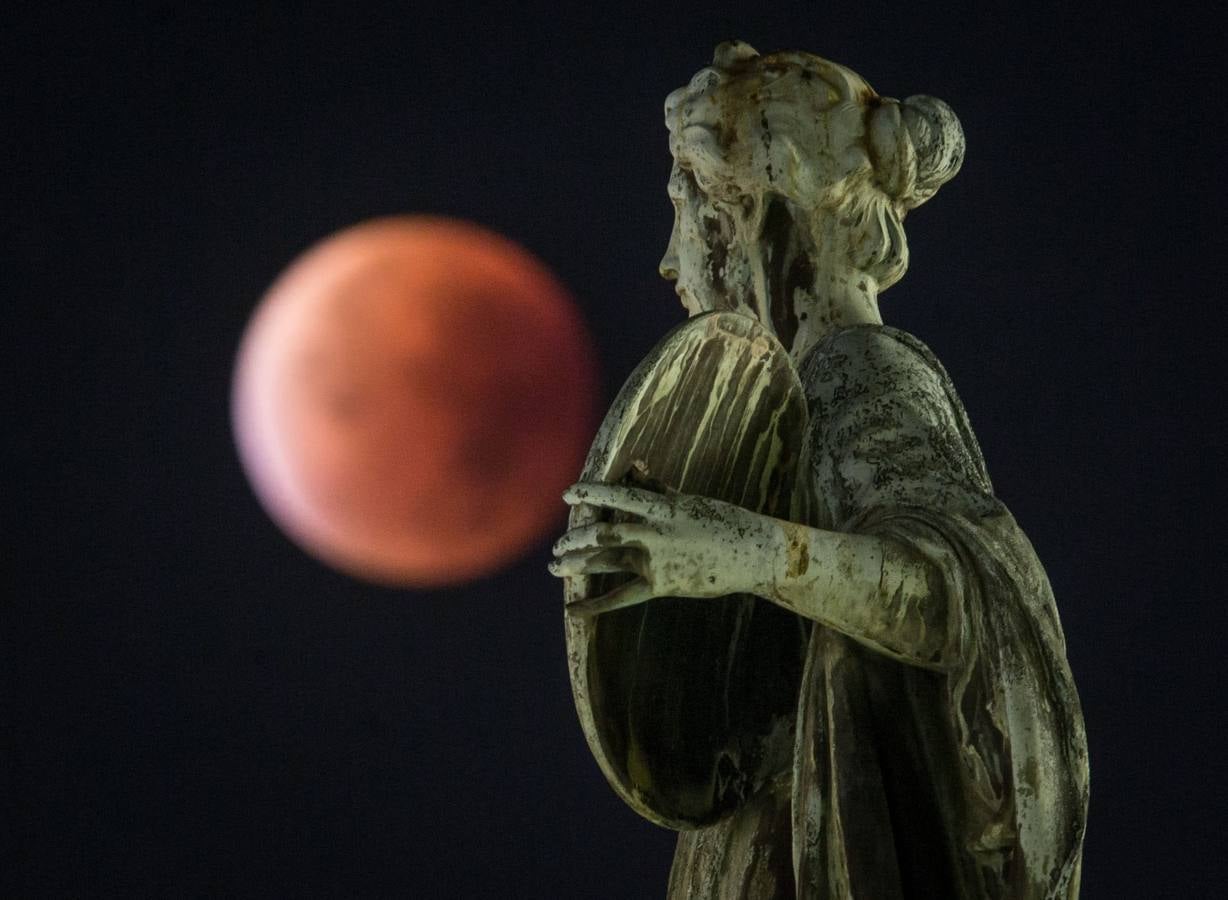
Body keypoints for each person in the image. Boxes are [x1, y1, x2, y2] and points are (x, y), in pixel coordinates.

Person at [549, 43, 1088, 899]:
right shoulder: (807, 387)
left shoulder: (856, 369)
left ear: (759, 220)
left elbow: (956, 593)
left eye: (685, 214)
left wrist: (748, 554)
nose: (669, 262)